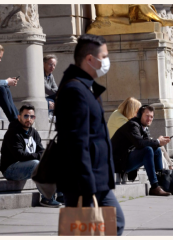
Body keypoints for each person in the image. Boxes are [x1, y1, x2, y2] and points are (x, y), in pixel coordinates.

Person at [55, 34, 125, 235]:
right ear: (89, 59)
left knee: (90, 230)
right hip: (85, 179)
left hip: (94, 177)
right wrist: (87, 185)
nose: (107, 60)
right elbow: (76, 141)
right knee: (111, 225)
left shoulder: (84, 87)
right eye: (104, 56)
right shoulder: (75, 90)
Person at [0, 104, 62, 207]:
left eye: (32, 117)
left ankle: (60, 194)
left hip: (27, 165)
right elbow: (19, 156)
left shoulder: (34, 132)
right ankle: (47, 198)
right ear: (19, 117)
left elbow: (42, 151)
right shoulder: (13, 133)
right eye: (26, 116)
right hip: (11, 169)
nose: (29, 119)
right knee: (36, 164)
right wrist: (38, 156)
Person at [111, 105, 172, 196]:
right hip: (119, 162)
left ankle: (162, 184)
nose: (149, 119)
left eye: (151, 117)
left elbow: (148, 142)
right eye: (147, 116)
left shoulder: (143, 127)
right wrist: (158, 141)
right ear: (139, 115)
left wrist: (158, 142)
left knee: (157, 150)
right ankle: (154, 186)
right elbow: (139, 143)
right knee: (147, 150)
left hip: (126, 158)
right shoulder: (132, 125)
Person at [107, 97, 173, 169]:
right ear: (132, 109)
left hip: (128, 147)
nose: (139, 114)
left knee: (157, 145)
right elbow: (135, 137)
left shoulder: (120, 115)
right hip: (120, 152)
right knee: (156, 145)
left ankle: (168, 168)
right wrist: (156, 141)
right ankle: (168, 170)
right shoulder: (120, 118)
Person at [0, 43, 19, 122]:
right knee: (1, 89)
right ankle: (14, 119)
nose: (0, 60)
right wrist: (7, 81)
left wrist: (7, 83)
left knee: (4, 88)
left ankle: (17, 117)